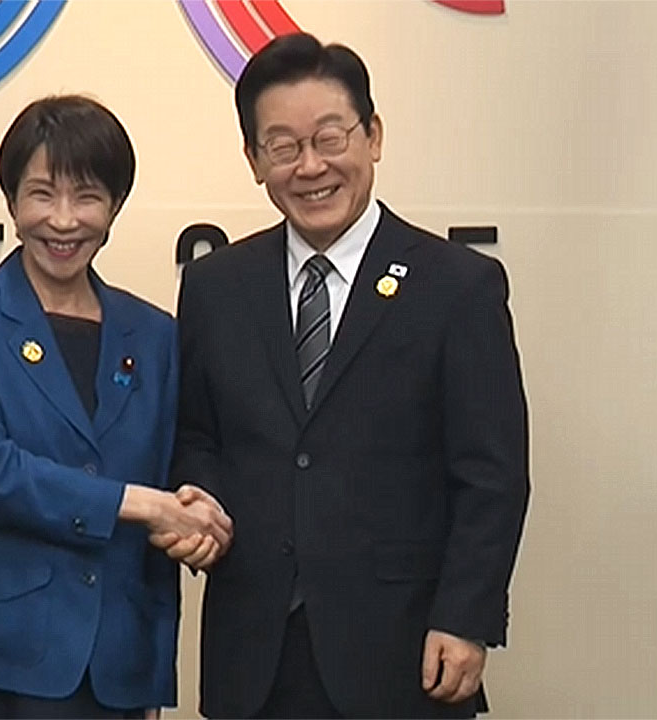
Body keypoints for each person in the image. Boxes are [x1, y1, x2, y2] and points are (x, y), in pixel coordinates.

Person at [167, 34, 530, 719]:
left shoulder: (457, 287)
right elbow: (197, 435)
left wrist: (466, 617)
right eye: (283, 146)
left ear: (373, 136)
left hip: (404, 652)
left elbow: (492, 474)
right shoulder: (216, 287)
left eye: (330, 138)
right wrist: (199, 500)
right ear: (254, 160)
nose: (311, 166)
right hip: (255, 654)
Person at [0, 94, 232, 719]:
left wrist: (195, 514)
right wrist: (143, 504)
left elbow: (175, 464)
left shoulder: (154, 334)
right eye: (41, 194)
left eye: (86, 197)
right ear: (12, 202)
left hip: (112, 668)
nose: (62, 220)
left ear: (114, 207)